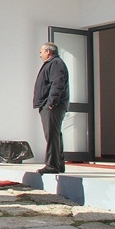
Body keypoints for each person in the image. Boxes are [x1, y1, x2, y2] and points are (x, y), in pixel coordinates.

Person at [33, 42, 70, 174]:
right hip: (51, 105)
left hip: (53, 106)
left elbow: (57, 83)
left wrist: (51, 103)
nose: (40, 55)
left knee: (52, 135)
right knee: (54, 135)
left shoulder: (55, 64)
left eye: (41, 52)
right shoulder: (54, 63)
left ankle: (52, 165)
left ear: (48, 52)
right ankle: (58, 164)